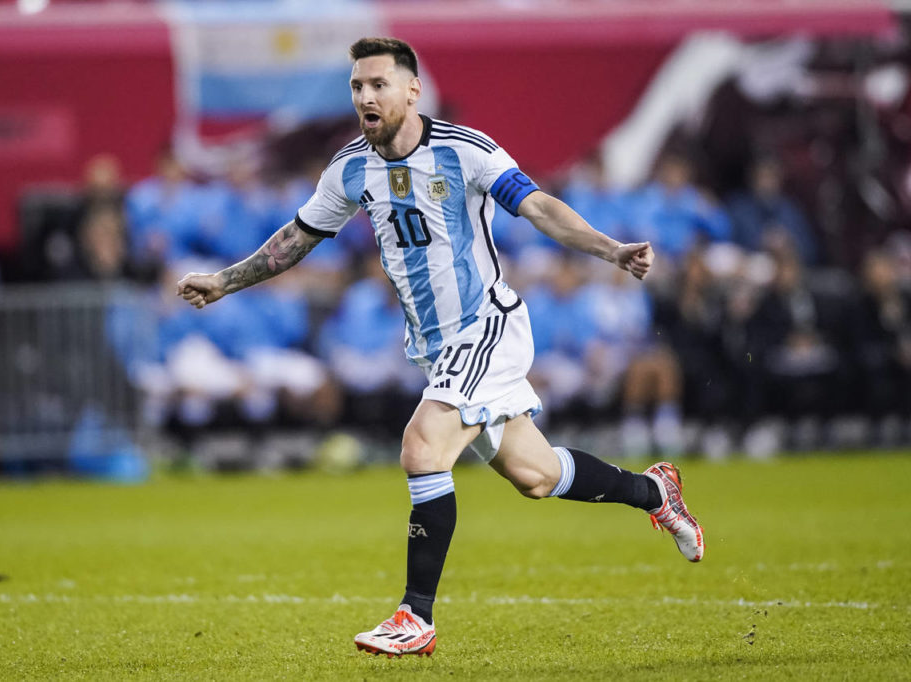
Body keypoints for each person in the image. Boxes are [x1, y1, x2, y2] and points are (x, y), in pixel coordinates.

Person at [177, 37, 704, 658]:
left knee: (422, 445)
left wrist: (611, 249)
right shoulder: (350, 169)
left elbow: (538, 207)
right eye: (357, 86)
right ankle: (655, 492)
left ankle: (415, 616)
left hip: (486, 327)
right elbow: (296, 237)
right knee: (536, 475)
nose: (366, 97)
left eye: (378, 84)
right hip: (434, 347)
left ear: (412, 90)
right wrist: (224, 281)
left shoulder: (464, 150)